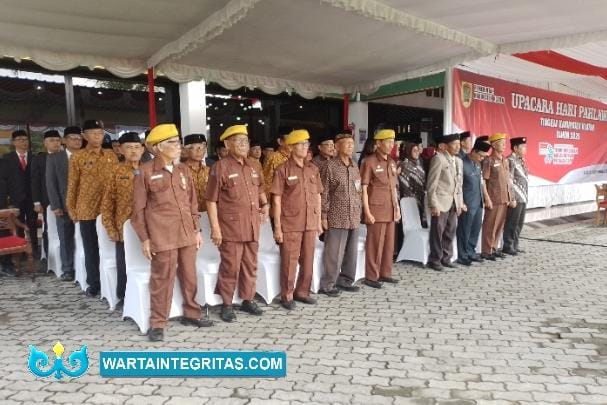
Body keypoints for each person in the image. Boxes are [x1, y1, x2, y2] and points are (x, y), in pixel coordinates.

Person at [132, 124, 213, 342]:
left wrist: (196, 230)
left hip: (186, 232)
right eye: (173, 143)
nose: (179, 146)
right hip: (162, 235)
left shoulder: (182, 170)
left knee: (189, 275)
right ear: (158, 147)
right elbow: (138, 210)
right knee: (162, 279)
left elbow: (192, 203)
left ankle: (192, 313)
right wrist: (145, 239)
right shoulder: (145, 172)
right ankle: (158, 323)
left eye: (178, 142)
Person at [206, 124, 270, 323]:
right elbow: (211, 200)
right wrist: (215, 228)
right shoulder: (220, 167)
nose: (243, 145)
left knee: (250, 265)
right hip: (231, 227)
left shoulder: (253, 166)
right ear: (227, 144)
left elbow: (260, 189)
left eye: (245, 141)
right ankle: (226, 304)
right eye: (238, 141)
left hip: (252, 225)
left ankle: (247, 299)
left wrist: (265, 205)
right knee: (230, 267)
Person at [271, 129, 322, 310]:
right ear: (291, 147)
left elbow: (318, 196)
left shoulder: (313, 169)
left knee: (308, 259)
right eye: (300, 144)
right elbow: (276, 200)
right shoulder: (282, 169)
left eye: (306, 144)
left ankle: (303, 292)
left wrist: (318, 221)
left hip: (310, 221)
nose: (305, 147)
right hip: (291, 223)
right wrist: (277, 227)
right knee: (289, 260)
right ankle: (287, 295)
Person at [66, 120, 118, 297]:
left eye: (100, 133)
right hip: (87, 209)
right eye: (94, 133)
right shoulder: (77, 157)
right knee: (91, 248)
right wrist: (72, 209)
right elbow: (72, 185)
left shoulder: (111, 155)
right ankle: (94, 283)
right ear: (84, 136)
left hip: (109, 209)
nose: (98, 136)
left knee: (110, 246)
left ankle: (112, 281)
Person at [100, 132, 144, 305]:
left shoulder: (150, 170)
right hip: (123, 226)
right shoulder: (115, 171)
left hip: (148, 226)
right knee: (124, 262)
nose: (133, 151)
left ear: (142, 149)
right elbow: (107, 203)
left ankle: (147, 295)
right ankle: (124, 296)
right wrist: (110, 228)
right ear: (121, 150)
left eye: (137, 147)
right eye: (129, 147)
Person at [319, 131, 362, 296]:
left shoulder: (354, 165)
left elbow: (358, 189)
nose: (351, 146)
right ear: (337, 146)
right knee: (334, 253)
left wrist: (359, 208)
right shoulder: (329, 166)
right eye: (347, 143)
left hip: (353, 215)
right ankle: (328, 284)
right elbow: (324, 193)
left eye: (352, 143)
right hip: (337, 216)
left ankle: (346, 280)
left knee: (351, 252)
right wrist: (323, 216)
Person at [360, 129, 400, 288]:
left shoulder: (391, 162)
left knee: (389, 245)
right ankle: (371, 276)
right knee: (374, 245)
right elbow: (363, 188)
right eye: (388, 142)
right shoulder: (369, 162)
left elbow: (393, 188)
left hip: (390, 209)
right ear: (378, 143)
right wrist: (367, 212)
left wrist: (397, 208)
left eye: (392, 142)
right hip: (376, 210)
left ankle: (385, 273)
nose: (391, 145)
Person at [46, 126, 82, 281]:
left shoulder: (87, 156)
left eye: (79, 138)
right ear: (65, 140)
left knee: (87, 238)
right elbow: (50, 183)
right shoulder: (55, 158)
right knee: (66, 237)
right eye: (73, 138)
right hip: (63, 205)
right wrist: (55, 205)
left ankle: (85, 267)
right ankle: (68, 269)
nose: (77, 141)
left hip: (86, 205)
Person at [426, 133, 465, 271]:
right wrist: (433, 204)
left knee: (450, 231)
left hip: (454, 202)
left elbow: (459, 185)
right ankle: (435, 259)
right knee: (438, 232)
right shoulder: (439, 159)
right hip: (441, 202)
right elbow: (432, 184)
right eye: (454, 144)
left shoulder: (459, 161)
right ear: (446, 146)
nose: (457, 147)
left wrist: (460, 203)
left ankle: (446, 258)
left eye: (459, 144)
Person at [3, 130, 38, 274]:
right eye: (20, 139)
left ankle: (33, 250)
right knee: (17, 225)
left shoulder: (34, 157)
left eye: (25, 139)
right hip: (15, 199)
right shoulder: (7, 158)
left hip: (32, 198)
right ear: (13, 142)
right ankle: (19, 251)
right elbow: (4, 180)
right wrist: (8, 199)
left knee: (32, 224)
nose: (23, 142)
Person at [456, 138, 491, 266]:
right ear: (474, 151)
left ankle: (471, 251)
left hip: (478, 202)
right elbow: (458, 185)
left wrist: (486, 198)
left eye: (484, 157)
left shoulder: (478, 164)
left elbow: (481, 182)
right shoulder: (462, 163)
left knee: (475, 229)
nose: (482, 159)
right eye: (481, 156)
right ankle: (462, 255)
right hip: (467, 203)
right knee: (464, 230)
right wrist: (461, 202)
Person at [481, 133, 515, 260]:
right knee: (490, 225)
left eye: (505, 143)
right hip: (493, 199)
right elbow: (484, 181)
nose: (504, 145)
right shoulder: (488, 160)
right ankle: (486, 250)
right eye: (501, 143)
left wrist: (511, 197)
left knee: (499, 225)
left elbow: (508, 181)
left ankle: (494, 248)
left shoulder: (505, 160)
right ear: (494, 145)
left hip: (504, 198)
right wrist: (487, 198)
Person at [31, 130, 63, 264]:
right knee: (48, 228)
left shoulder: (65, 157)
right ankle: (49, 258)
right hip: (47, 200)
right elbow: (35, 181)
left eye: (57, 140)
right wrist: (36, 202)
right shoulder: (39, 159)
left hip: (64, 199)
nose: (56, 143)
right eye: (52, 140)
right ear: (45, 143)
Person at [503, 137, 528, 256]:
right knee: (512, 223)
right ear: (515, 148)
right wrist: (512, 198)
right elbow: (509, 181)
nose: (525, 149)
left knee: (519, 223)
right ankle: (508, 246)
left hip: (523, 197)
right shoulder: (510, 160)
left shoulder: (520, 160)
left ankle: (515, 245)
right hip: (516, 198)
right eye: (523, 147)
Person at [398, 134, 426, 227]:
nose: (417, 153)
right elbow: (404, 186)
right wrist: (413, 199)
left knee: (419, 224)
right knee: (410, 224)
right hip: (409, 201)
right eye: (414, 151)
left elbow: (423, 181)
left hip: (420, 199)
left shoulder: (418, 164)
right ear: (408, 151)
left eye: (418, 150)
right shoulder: (404, 165)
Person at [183, 134, 211, 212]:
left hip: (208, 212)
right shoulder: (180, 171)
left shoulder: (209, 170)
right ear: (186, 150)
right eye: (194, 148)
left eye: (201, 148)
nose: (199, 151)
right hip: (188, 213)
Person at [262, 126, 292, 194]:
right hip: (277, 195)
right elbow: (267, 181)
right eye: (289, 140)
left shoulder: (295, 157)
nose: (292, 143)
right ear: (280, 142)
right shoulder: (272, 157)